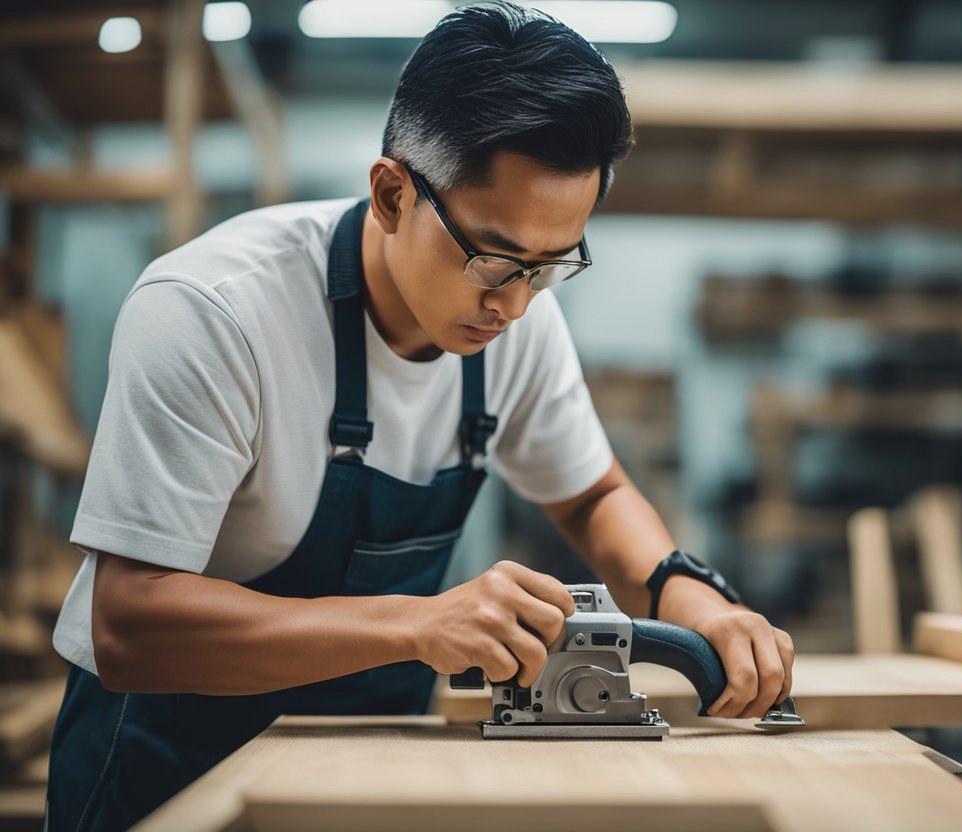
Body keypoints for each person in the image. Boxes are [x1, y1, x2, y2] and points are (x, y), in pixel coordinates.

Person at [45, 3, 794, 829]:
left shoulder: (520, 320)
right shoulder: (213, 313)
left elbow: (589, 496)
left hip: (364, 761)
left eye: (550, 267)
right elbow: (129, 625)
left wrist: (690, 596)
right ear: (392, 193)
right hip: (168, 767)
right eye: (493, 259)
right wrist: (415, 621)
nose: (513, 305)